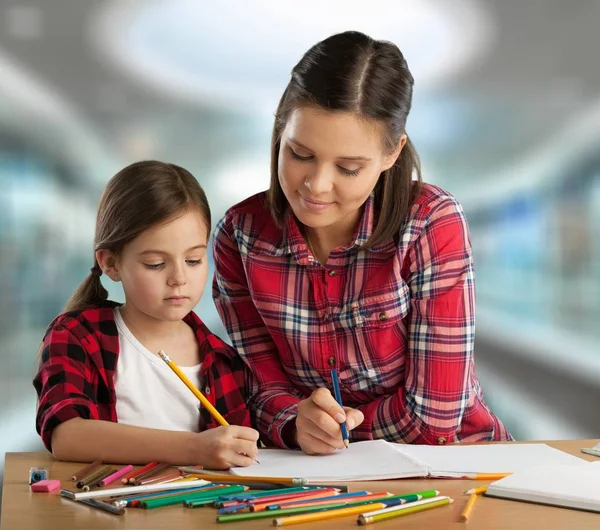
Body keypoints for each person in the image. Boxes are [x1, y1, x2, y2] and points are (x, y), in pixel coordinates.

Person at [212, 31, 512, 455]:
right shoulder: (239, 236)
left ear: (392, 154)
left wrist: (337, 430)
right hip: (314, 473)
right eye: (299, 154)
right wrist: (295, 422)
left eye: (349, 168)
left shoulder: (430, 223)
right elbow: (262, 387)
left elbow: (434, 416)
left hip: (452, 462)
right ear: (281, 127)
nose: (316, 185)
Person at [34, 161, 259, 468]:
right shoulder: (76, 336)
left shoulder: (225, 362)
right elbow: (67, 435)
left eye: (194, 260)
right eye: (155, 264)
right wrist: (194, 448)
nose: (179, 277)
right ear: (110, 263)